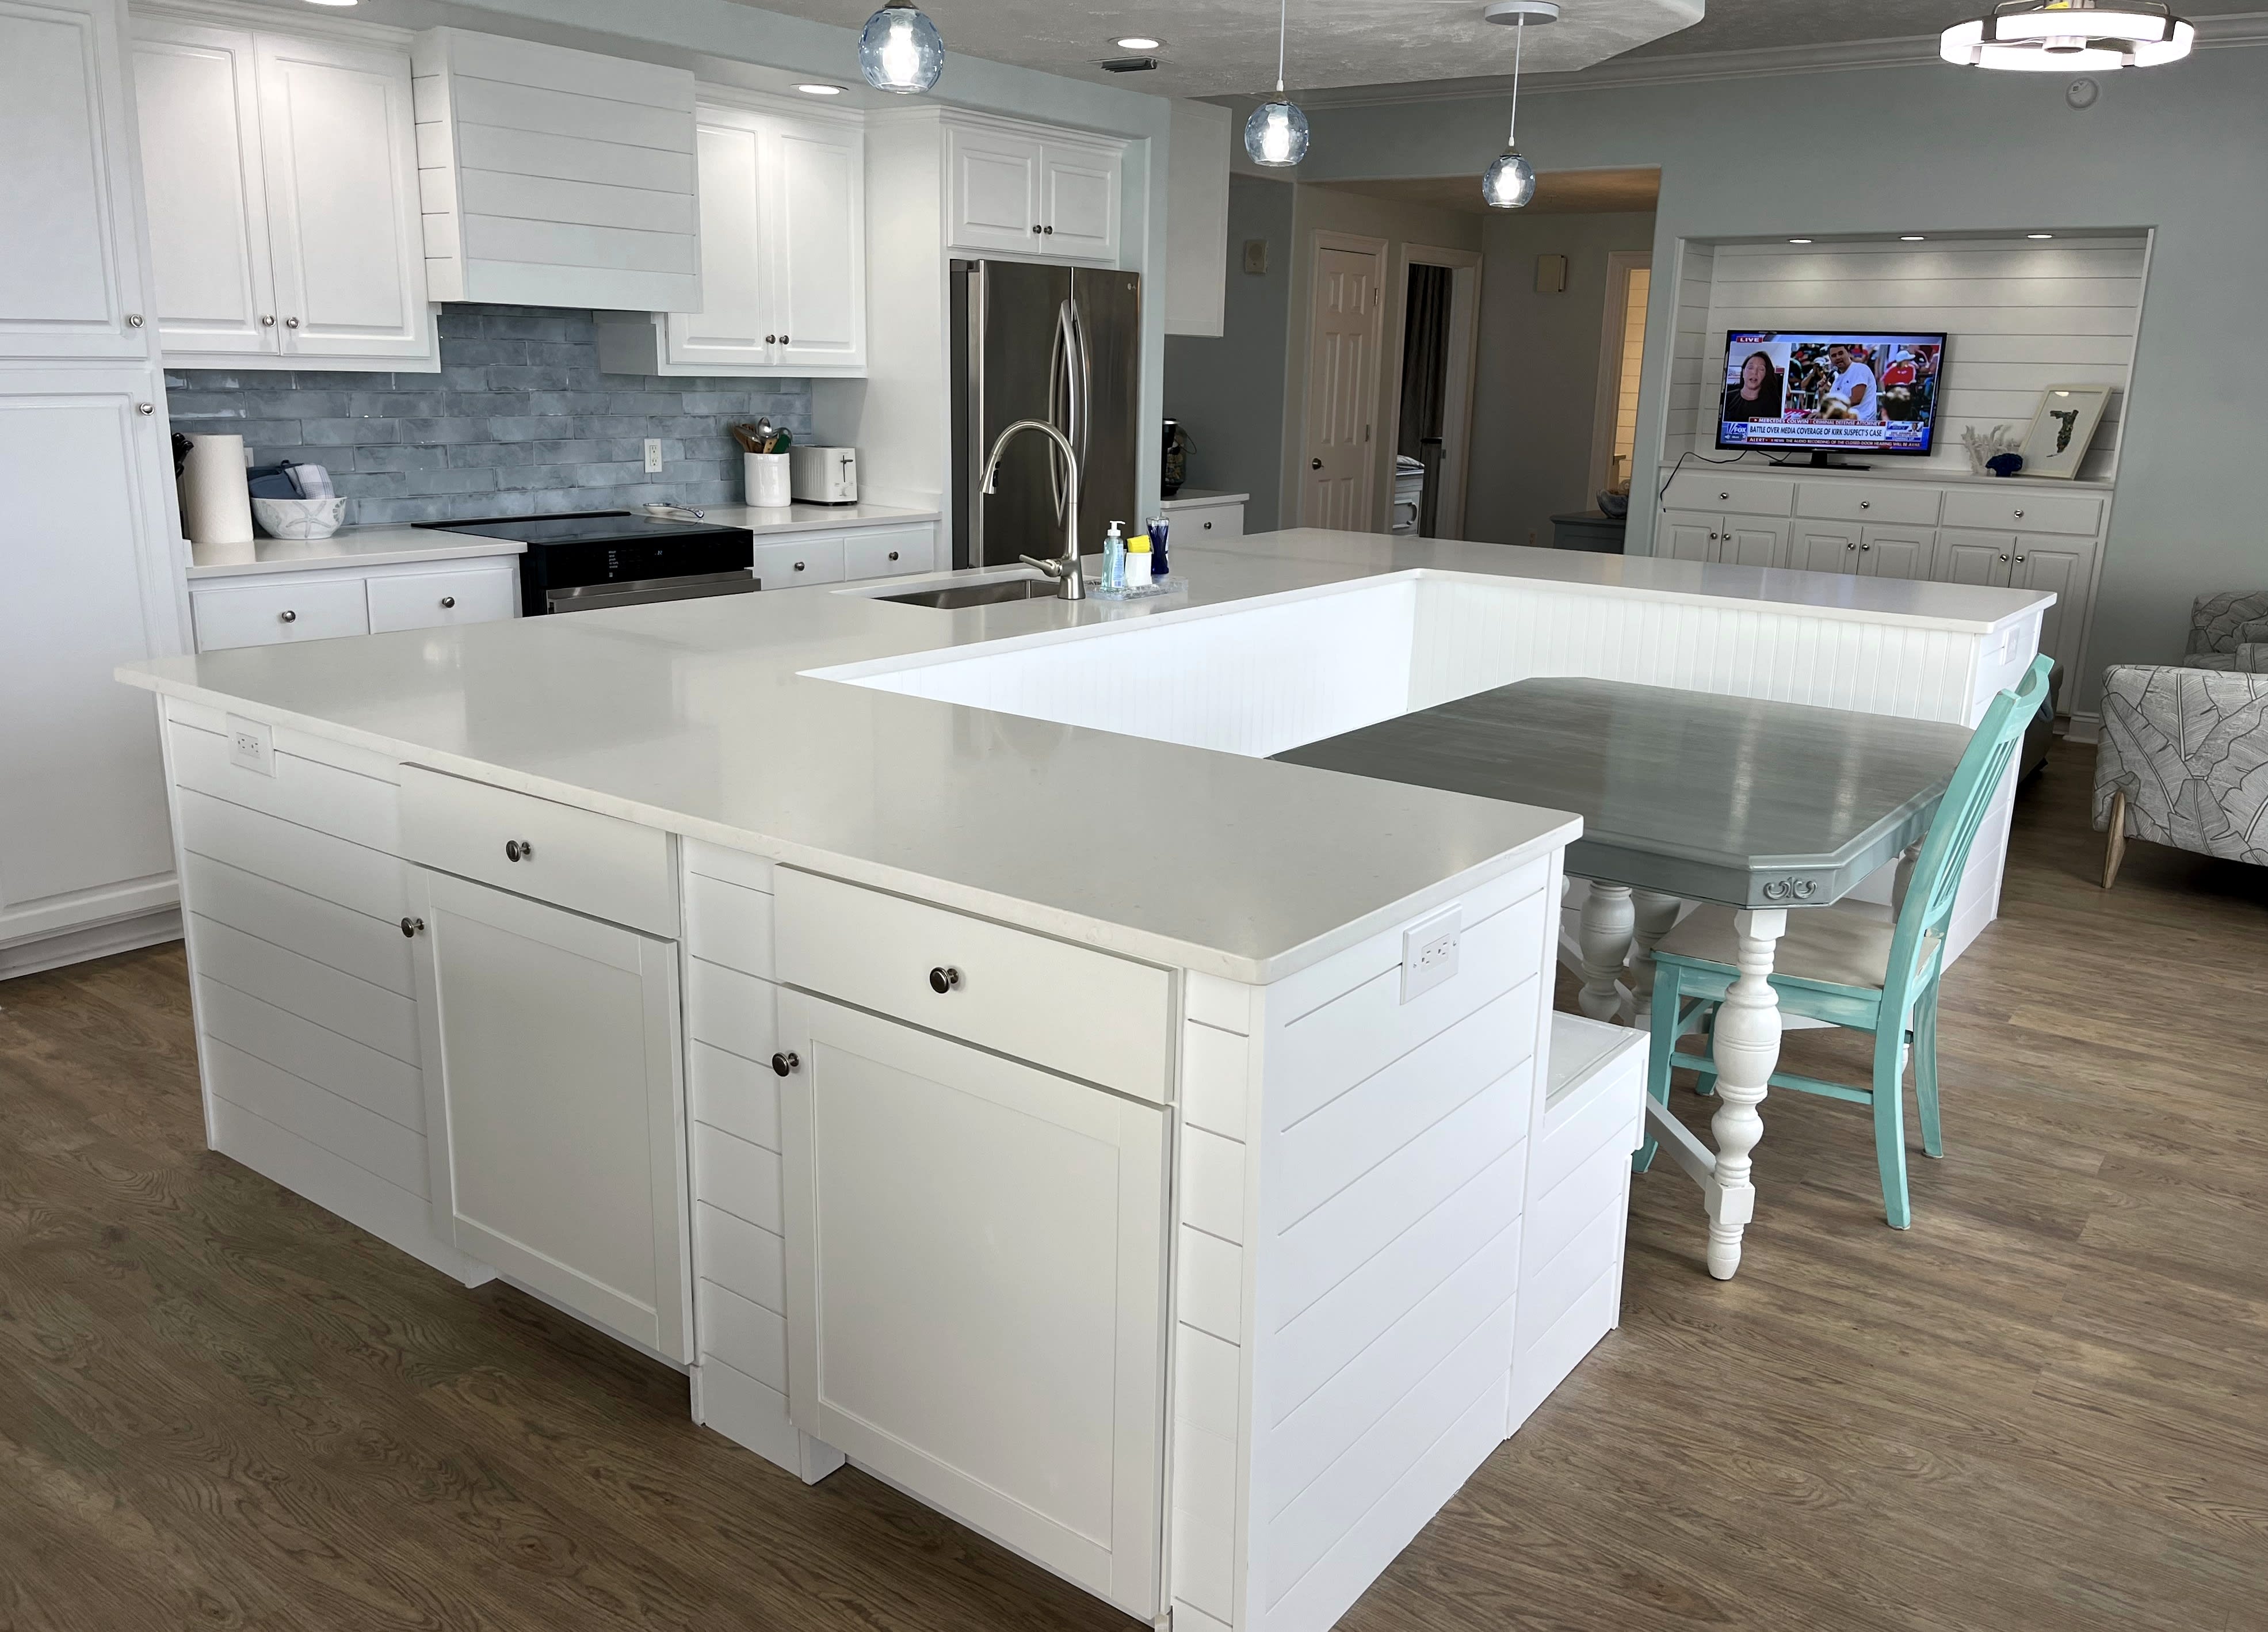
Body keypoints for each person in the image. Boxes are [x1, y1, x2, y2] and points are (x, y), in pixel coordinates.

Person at [1721, 350, 1784, 422]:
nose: (1755, 372)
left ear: (1766, 375)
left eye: (1761, 369)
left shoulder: (1773, 403)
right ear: (1743, 372)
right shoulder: (1728, 397)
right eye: (1751, 368)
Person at [1827, 342, 1880, 422]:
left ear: (1848, 353)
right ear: (1830, 359)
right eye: (1834, 356)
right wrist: (1821, 391)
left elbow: (1856, 399)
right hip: (1843, 424)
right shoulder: (1837, 380)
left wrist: (1832, 408)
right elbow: (1829, 404)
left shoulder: (1860, 369)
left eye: (1841, 353)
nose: (1838, 357)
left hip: (1863, 424)